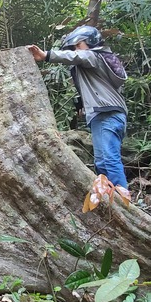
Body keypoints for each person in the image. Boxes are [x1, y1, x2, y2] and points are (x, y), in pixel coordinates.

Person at [26, 26, 129, 190]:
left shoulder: (94, 56)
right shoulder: (97, 61)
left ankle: (123, 202)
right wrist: (81, 104)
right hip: (106, 115)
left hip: (106, 115)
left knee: (109, 160)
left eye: (78, 45)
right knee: (102, 162)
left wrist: (46, 55)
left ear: (90, 42)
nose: (75, 50)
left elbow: (78, 56)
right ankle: (112, 202)